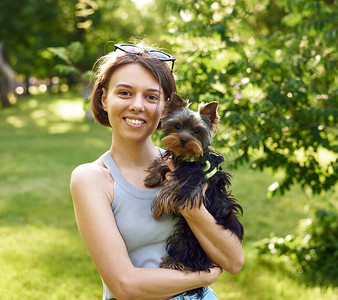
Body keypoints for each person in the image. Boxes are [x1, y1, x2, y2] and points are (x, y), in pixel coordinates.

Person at [70, 43, 244, 300]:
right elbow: (125, 285)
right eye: (125, 92)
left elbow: (233, 260)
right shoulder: (92, 179)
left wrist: (188, 204)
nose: (138, 105)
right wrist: (204, 276)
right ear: (104, 98)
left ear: (165, 108)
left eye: (151, 97)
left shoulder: (189, 167)